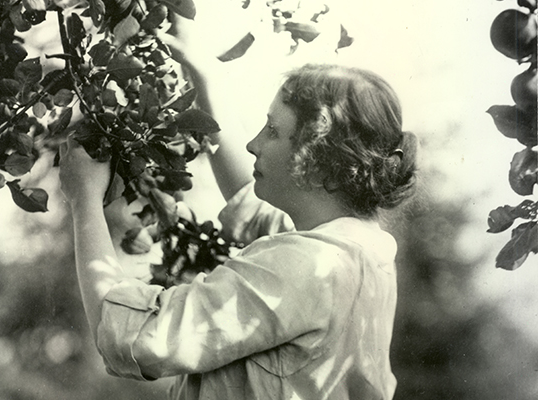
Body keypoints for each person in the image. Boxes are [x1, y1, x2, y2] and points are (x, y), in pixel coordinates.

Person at [58, 19, 418, 400]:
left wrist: (84, 201)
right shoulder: (358, 255)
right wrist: (204, 83)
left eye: (273, 131)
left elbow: (135, 336)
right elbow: (250, 203)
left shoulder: (306, 267)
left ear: (317, 162)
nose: (253, 144)